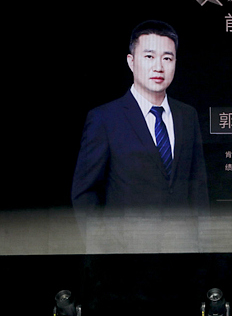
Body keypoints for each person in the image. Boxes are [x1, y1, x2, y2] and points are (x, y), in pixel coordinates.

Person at [71, 20, 208, 215]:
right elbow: (85, 193)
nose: (158, 67)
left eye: (167, 58)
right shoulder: (104, 119)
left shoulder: (187, 116)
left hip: (182, 234)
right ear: (131, 61)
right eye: (149, 56)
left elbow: (198, 187)